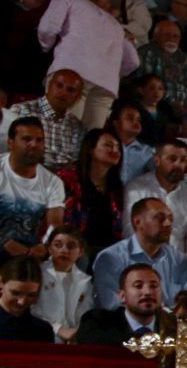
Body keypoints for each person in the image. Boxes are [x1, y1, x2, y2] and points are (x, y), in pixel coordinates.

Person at [36, 0, 138, 129]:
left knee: (61, 129)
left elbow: (47, 28)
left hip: (72, 75)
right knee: (90, 141)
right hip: (106, 85)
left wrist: (45, 47)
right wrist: (113, 71)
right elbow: (133, 61)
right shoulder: (115, 24)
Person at [91, 197, 187, 307]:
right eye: (160, 218)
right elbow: (112, 307)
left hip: (171, 323)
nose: (168, 223)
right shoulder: (110, 258)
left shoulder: (178, 259)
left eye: (170, 218)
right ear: (138, 222)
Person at [124, 138, 187, 272]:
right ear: (157, 160)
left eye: (183, 160)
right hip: (141, 261)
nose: (178, 165)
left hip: (180, 264)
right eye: (172, 159)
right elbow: (129, 229)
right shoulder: (136, 188)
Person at [55, 126, 125, 257]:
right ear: (91, 150)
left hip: (108, 249)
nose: (115, 150)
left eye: (118, 147)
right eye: (108, 145)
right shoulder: (67, 179)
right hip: (74, 247)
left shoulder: (116, 187)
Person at [1, 118, 65, 260]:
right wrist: (4, 242)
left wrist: (45, 245)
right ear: (10, 143)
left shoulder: (53, 182)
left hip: (27, 255)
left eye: (39, 140)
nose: (34, 144)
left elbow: (54, 224)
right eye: (26, 139)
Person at [76, 262, 169, 345]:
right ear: (122, 296)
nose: (147, 292)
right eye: (138, 286)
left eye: (154, 286)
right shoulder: (98, 321)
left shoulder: (173, 327)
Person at [12, 67, 86, 169]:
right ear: (48, 85)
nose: (63, 92)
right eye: (59, 85)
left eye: (70, 90)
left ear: (77, 97)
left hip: (59, 181)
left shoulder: (77, 126)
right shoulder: (21, 111)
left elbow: (73, 164)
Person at [134, 19, 187, 115]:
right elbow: (146, 85)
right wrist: (171, 102)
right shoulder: (147, 52)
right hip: (159, 107)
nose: (171, 39)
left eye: (176, 36)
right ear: (155, 37)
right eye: (166, 35)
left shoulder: (184, 57)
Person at [34, 226, 90, 340]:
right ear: (49, 249)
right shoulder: (37, 273)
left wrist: (76, 333)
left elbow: (85, 315)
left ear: (80, 252)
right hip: (42, 334)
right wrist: (59, 329)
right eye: (58, 245)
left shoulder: (85, 281)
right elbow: (31, 311)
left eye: (71, 246)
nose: (64, 250)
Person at [0, 256, 53, 341]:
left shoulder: (42, 330)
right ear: (1, 283)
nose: (21, 302)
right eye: (15, 293)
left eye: (31, 295)